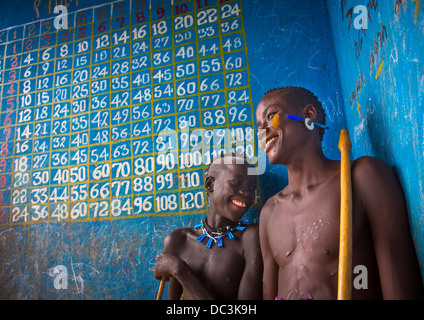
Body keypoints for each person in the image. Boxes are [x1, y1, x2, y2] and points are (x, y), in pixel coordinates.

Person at [256, 86, 424, 300]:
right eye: (259, 127)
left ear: (308, 116)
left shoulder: (362, 177)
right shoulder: (269, 212)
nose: (263, 131)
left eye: (271, 116)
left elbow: (399, 285)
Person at [154, 153, 263, 300]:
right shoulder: (177, 240)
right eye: (236, 182)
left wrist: (180, 270)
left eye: (252, 187)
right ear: (210, 184)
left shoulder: (251, 238)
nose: (246, 193)